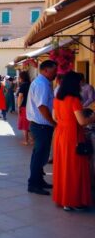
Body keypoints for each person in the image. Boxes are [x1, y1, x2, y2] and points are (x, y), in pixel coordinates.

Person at [52, 71, 95, 211]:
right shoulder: (74, 100)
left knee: (63, 167)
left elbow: (55, 117)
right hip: (72, 135)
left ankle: (64, 199)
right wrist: (93, 117)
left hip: (60, 134)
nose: (81, 86)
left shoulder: (57, 99)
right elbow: (82, 121)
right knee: (74, 168)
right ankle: (73, 200)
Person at [26, 60, 57, 195]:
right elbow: (42, 106)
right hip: (42, 126)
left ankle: (39, 180)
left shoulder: (42, 82)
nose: (55, 74)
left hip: (39, 125)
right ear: (45, 70)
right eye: (53, 71)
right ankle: (34, 184)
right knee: (39, 156)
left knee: (39, 155)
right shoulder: (42, 84)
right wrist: (52, 122)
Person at [17, 71, 31, 145]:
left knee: (24, 124)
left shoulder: (23, 85)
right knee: (30, 123)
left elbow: (20, 96)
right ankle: (32, 139)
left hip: (24, 106)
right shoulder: (31, 84)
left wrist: (19, 106)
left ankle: (26, 140)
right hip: (32, 106)